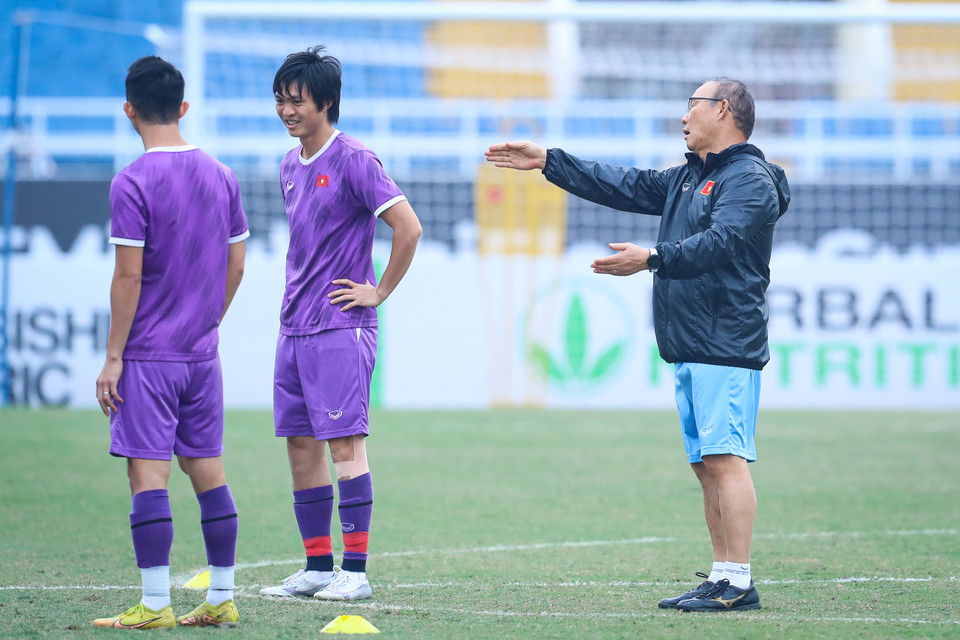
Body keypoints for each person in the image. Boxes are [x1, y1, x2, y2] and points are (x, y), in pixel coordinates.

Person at [485, 78, 789, 612]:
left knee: (726, 457)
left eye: (691, 105)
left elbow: (725, 242)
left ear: (723, 110)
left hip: (726, 340)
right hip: (692, 342)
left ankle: (739, 581)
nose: (683, 117)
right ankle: (721, 575)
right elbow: (621, 184)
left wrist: (651, 258)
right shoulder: (690, 178)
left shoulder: (749, 178)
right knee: (705, 464)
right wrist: (549, 161)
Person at [259, 46, 421, 602]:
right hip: (294, 328)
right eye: (280, 99)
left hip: (338, 327)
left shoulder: (354, 159)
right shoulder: (287, 165)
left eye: (296, 100)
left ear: (326, 102)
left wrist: (377, 292)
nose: (286, 110)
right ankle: (318, 566)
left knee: (345, 448)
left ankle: (355, 571)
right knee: (301, 448)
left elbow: (409, 228)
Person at [92, 56, 248, 629]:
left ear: (129, 110)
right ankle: (222, 596)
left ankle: (155, 605)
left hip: (150, 357)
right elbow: (236, 265)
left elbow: (128, 276)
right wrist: (209, 321)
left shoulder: (132, 181)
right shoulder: (222, 174)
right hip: (202, 355)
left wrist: (114, 357)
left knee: (147, 474)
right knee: (209, 472)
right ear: (183, 108)